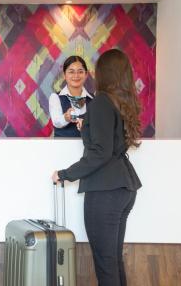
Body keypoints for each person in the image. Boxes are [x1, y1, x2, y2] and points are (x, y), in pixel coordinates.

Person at [51, 49, 142, 286]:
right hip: (123, 188)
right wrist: (89, 128)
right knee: (112, 261)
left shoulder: (101, 101)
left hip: (105, 191)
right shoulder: (120, 100)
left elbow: (100, 152)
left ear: (104, 73)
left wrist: (65, 174)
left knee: (105, 263)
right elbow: (110, 143)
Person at [49, 56, 93, 137]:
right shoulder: (55, 97)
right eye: (71, 72)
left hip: (88, 148)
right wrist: (66, 118)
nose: (76, 75)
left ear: (86, 74)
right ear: (64, 75)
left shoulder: (94, 99)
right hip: (62, 148)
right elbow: (56, 122)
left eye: (80, 72)